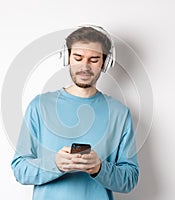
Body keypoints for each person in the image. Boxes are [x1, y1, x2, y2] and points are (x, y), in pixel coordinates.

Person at [11, 25, 139, 200]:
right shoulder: (39, 106)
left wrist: (99, 168)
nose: (85, 66)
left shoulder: (120, 114)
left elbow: (130, 179)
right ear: (68, 58)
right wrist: (55, 164)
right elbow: (19, 169)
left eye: (93, 59)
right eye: (78, 57)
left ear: (104, 62)